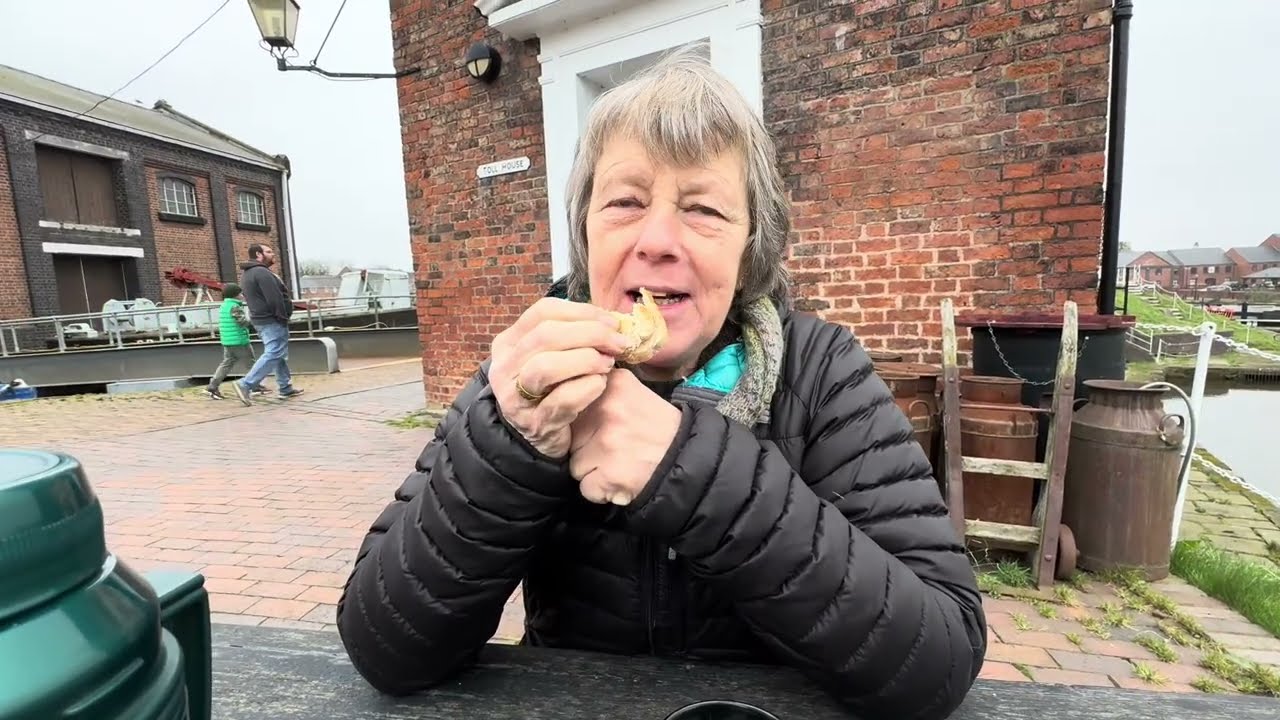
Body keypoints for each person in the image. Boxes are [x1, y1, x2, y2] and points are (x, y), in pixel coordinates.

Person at [336, 45, 987, 720]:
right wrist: (513, 445)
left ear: (749, 246)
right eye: (624, 201)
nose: (658, 240)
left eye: (703, 210)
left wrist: (691, 474)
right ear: (586, 235)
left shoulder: (821, 372)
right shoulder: (526, 373)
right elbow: (386, 651)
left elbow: (937, 660)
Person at [233, 243, 302, 404]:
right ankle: (246, 384)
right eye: (269, 252)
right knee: (274, 352)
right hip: (272, 320)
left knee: (278, 353)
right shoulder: (262, 273)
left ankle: (285, 387)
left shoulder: (247, 274)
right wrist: (282, 317)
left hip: (260, 319)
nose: (273, 255)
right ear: (258, 254)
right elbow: (274, 298)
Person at [204, 283, 261, 399]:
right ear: (234, 295)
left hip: (227, 341)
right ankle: (255, 386)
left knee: (226, 363)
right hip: (239, 340)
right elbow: (243, 322)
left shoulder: (224, 306)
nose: (242, 295)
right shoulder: (235, 307)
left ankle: (212, 386)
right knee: (251, 363)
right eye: (240, 293)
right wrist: (255, 321)